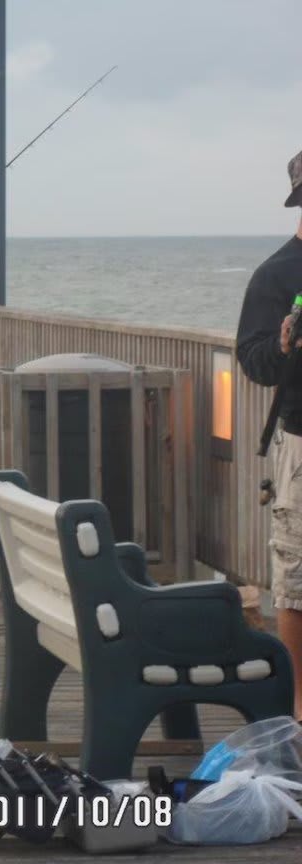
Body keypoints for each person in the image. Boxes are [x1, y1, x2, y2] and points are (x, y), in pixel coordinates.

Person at [235, 148, 302, 718]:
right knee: (298, 581)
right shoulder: (276, 274)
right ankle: (300, 707)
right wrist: (282, 346)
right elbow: (252, 361)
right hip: (301, 439)